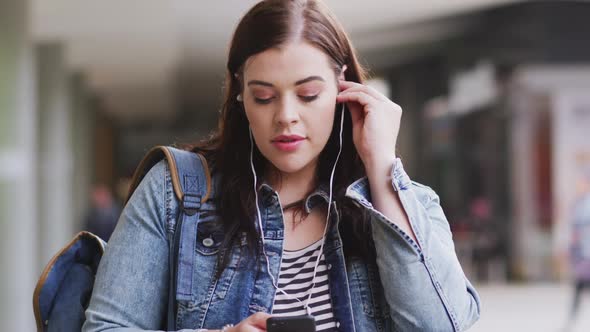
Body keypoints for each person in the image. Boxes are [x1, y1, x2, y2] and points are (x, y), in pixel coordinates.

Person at [82, 1, 481, 331]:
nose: (286, 116)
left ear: (344, 87)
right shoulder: (175, 193)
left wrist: (380, 167)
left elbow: (440, 326)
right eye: (264, 97)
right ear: (239, 95)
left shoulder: (404, 203)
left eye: (308, 94)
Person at [567, 171, 590, 328]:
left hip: (586, 252)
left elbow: (580, 229)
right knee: (579, 285)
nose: (579, 187)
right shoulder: (580, 202)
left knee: (580, 285)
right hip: (583, 252)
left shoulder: (586, 204)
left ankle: (571, 320)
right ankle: (571, 320)